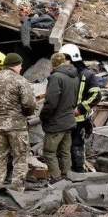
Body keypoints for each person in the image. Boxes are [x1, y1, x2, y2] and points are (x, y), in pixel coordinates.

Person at [0, 53, 36, 191]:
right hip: (17, 127)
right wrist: (25, 114)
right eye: (20, 65)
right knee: (20, 158)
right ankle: (17, 190)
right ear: (15, 65)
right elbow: (29, 104)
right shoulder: (20, 81)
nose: (21, 68)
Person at [58, 44, 102, 172]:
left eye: (64, 59)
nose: (62, 62)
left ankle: (78, 173)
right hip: (62, 119)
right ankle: (64, 173)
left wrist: (81, 108)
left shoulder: (86, 75)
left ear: (70, 59)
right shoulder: (60, 75)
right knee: (62, 147)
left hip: (78, 120)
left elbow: (96, 95)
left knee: (76, 146)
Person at [40, 53, 79, 182]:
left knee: (49, 152)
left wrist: (43, 117)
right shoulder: (75, 76)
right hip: (69, 120)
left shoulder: (56, 77)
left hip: (56, 122)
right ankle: (67, 176)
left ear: (53, 64)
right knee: (65, 151)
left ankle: (56, 179)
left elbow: (51, 102)